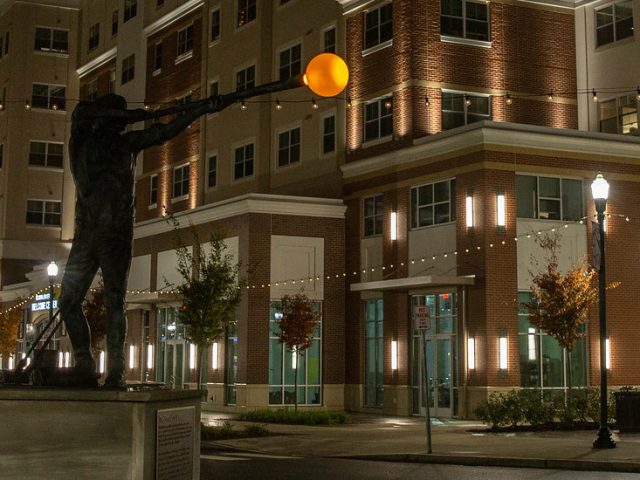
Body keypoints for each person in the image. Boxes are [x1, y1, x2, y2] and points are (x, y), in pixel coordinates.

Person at [60, 93, 221, 387]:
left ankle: (116, 370)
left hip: (115, 235)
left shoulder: (123, 144)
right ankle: (84, 361)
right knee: (68, 301)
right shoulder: (81, 144)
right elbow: (79, 114)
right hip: (87, 235)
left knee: (114, 301)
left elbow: (164, 132)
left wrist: (198, 109)